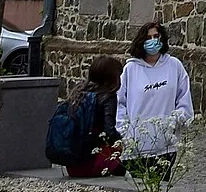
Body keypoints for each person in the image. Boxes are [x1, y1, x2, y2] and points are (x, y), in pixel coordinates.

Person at [117, 21, 194, 179]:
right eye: (148, 37)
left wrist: (173, 122)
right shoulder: (130, 69)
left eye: (156, 36)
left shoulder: (174, 66)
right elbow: (120, 103)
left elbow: (184, 100)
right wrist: (124, 131)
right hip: (136, 147)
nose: (153, 40)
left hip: (164, 146)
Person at [64, 55, 126, 178]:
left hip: (73, 160)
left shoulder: (79, 92)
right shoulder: (108, 97)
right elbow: (109, 130)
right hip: (96, 160)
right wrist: (122, 143)